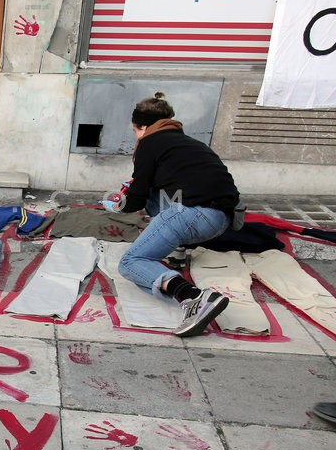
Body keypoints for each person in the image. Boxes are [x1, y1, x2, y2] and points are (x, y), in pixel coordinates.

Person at [102, 92, 239, 337]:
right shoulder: (188, 143)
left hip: (191, 214)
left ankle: (194, 297)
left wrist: (120, 205)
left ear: (141, 126)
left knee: (131, 263)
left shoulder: (149, 144)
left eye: (135, 130)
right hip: (222, 219)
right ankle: (178, 252)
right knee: (159, 198)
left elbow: (137, 198)